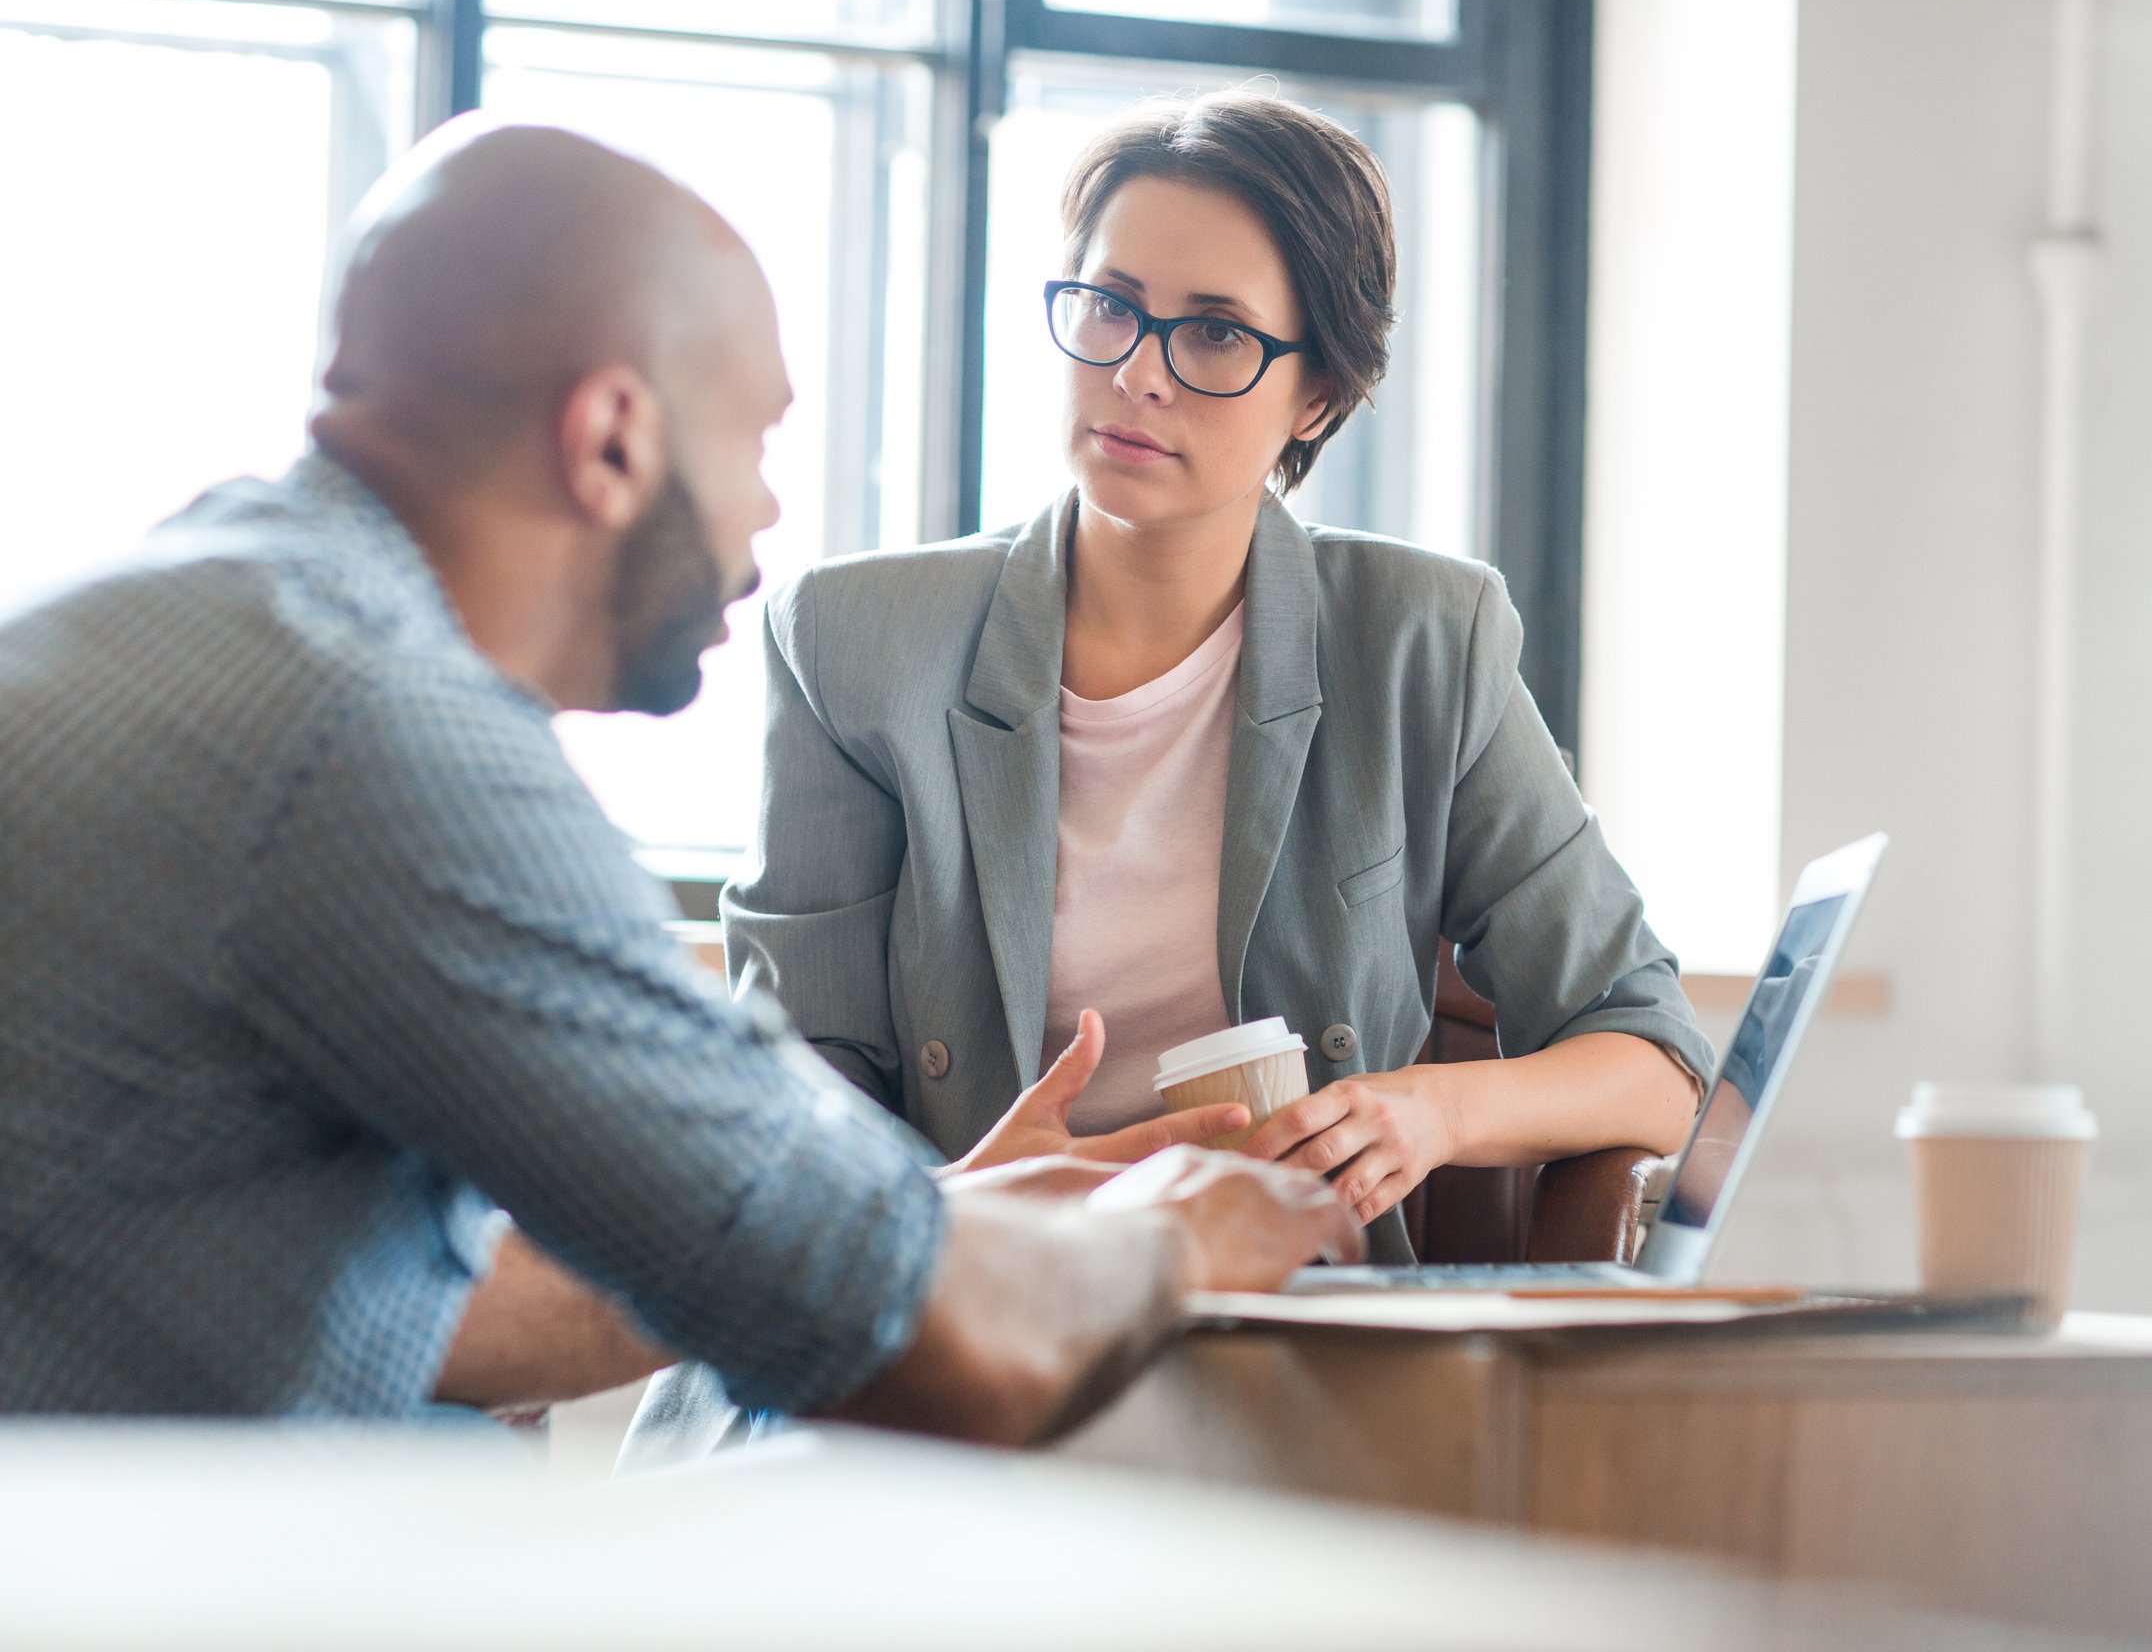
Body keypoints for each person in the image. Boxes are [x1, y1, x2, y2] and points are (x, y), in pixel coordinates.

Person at [0, 117, 1360, 1434]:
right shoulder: (387, 743)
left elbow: (440, 1305)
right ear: (609, 440)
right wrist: (1183, 1239)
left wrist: (928, 1213)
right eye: (756, 442)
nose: (770, 513)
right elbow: (941, 1352)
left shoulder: (193, 610)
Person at [725, 90, 1715, 1254]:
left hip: (1287, 1324)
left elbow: (1654, 1058)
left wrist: (1431, 1109)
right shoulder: (852, 641)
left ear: (1319, 394)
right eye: (1109, 306)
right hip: (948, 1305)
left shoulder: (1422, 639)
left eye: (1213, 333)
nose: (1139, 374)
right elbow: (787, 1091)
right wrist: (966, 1201)